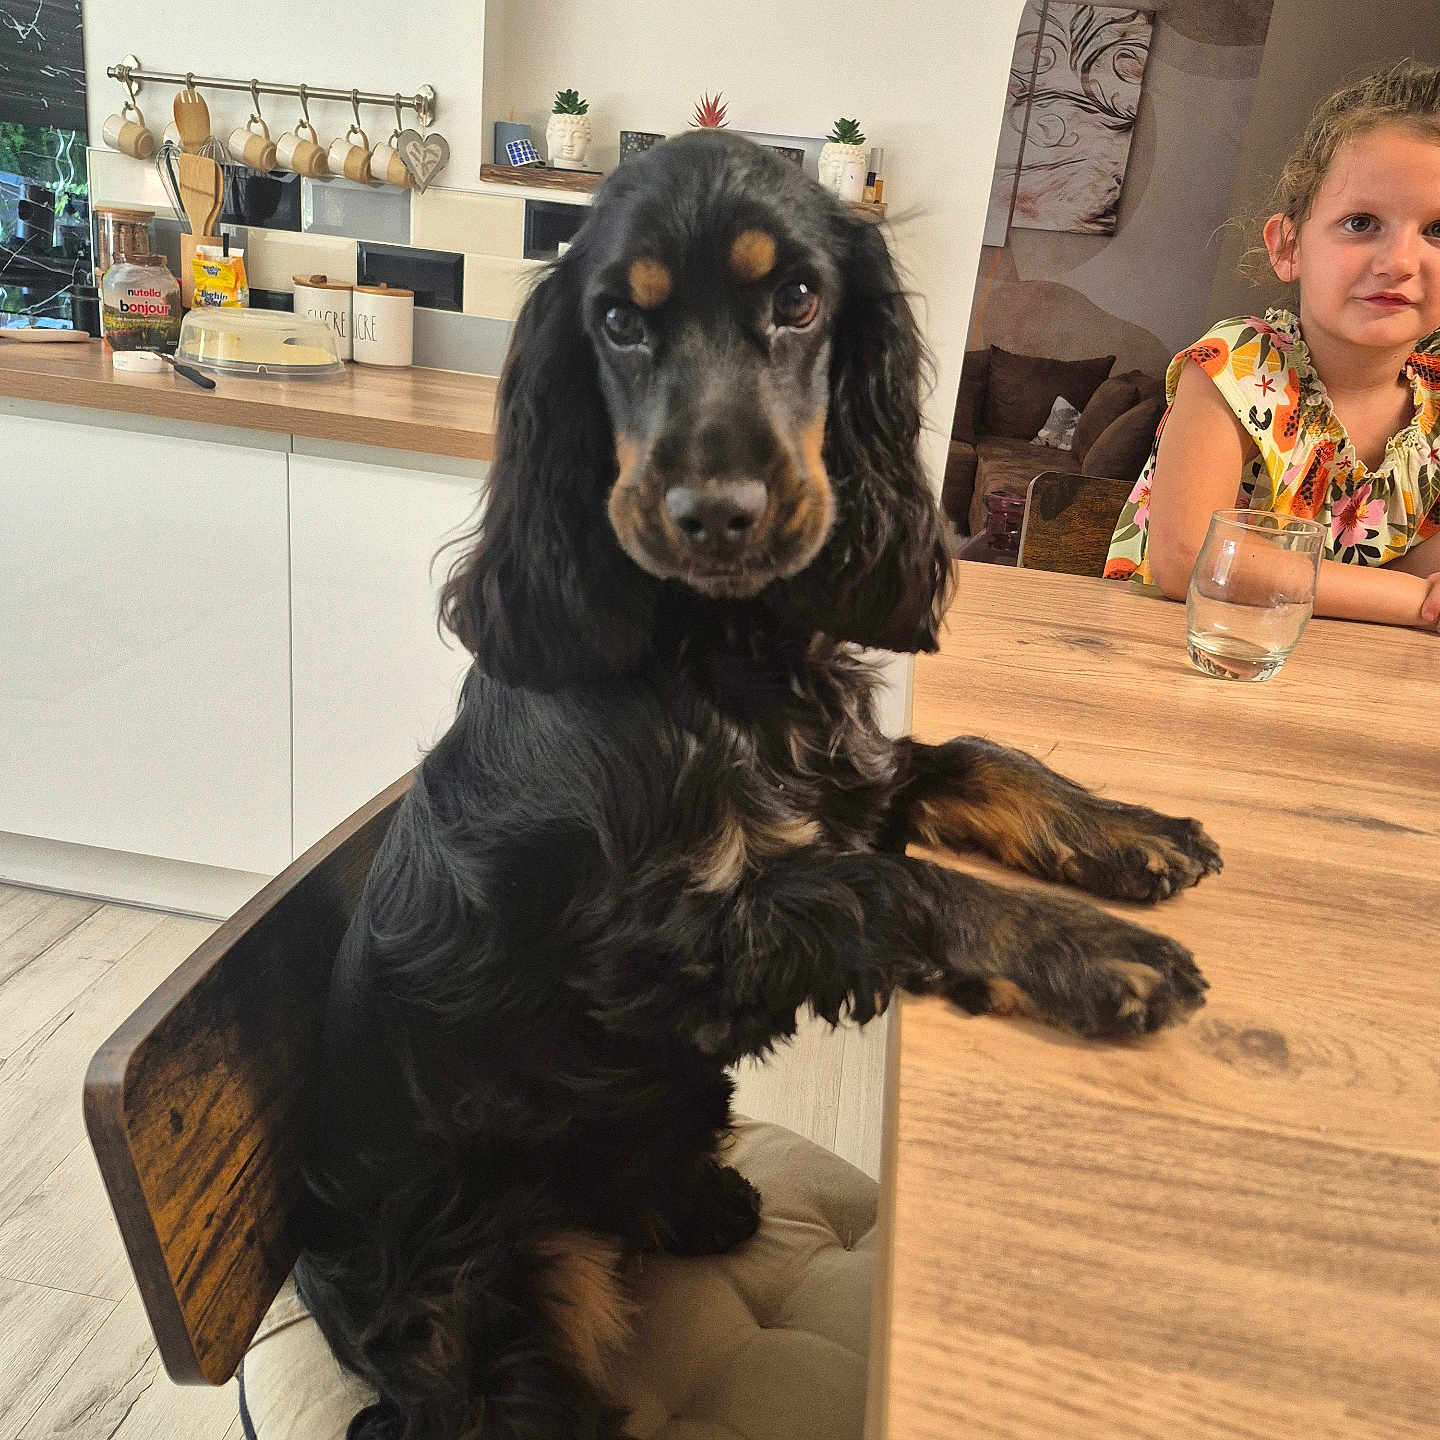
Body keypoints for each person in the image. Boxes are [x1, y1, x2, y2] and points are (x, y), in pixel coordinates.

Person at [1104, 60, 1440, 632]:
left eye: (1439, 231)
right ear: (1290, 247)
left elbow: (1424, 572)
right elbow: (1192, 561)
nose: (1400, 263)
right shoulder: (1237, 364)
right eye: (1361, 223)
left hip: (1338, 688)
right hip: (1167, 662)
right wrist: (1414, 602)